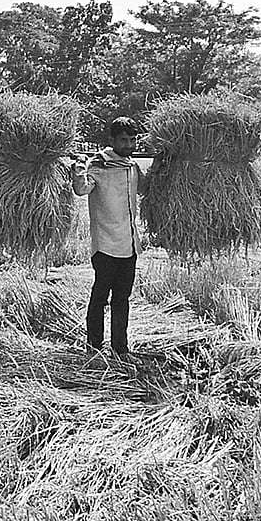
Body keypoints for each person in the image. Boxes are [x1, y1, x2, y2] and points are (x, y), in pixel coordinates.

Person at [71, 116, 163, 361]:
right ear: (112, 140)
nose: (129, 145)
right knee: (100, 296)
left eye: (133, 140)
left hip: (130, 244)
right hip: (105, 243)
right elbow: (81, 189)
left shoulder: (132, 168)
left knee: (122, 298)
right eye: (124, 140)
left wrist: (160, 164)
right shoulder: (98, 166)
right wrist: (79, 167)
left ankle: (121, 349)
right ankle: (94, 346)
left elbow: (144, 189)